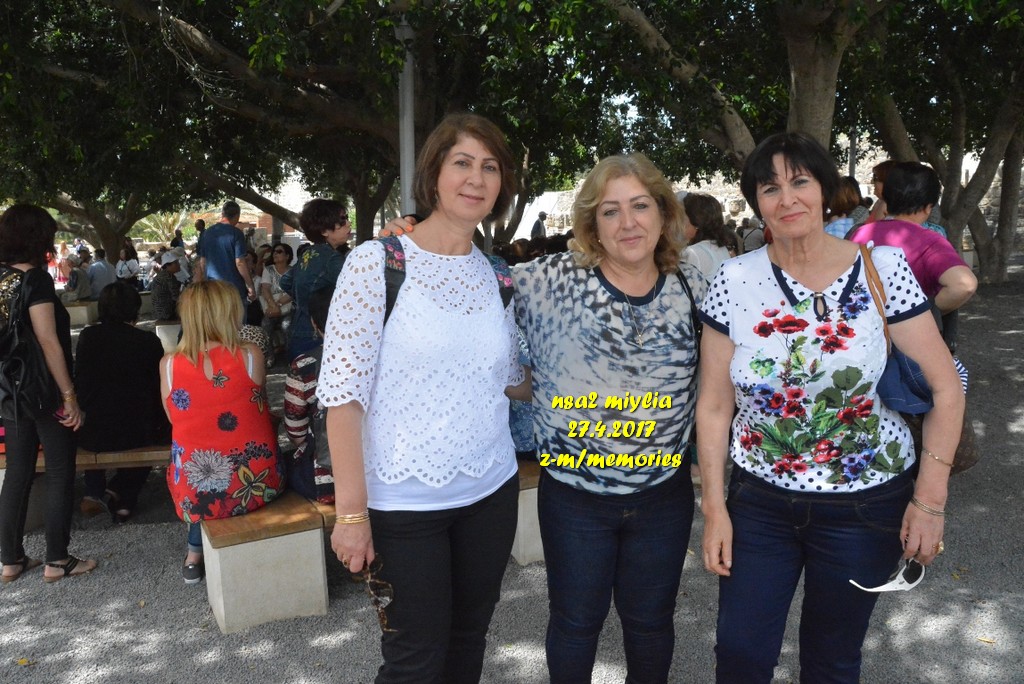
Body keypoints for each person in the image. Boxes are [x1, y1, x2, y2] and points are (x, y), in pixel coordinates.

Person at [697, 132, 965, 683]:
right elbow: (715, 406)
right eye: (770, 188)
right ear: (757, 203)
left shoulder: (883, 269)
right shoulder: (734, 278)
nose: (787, 198)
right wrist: (716, 509)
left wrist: (930, 501)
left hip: (864, 505)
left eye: (800, 181)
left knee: (832, 659)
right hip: (759, 502)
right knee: (741, 654)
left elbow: (946, 388)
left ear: (824, 189)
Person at [318, 112, 526, 683]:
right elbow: (343, 399)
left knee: (469, 641)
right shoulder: (377, 263)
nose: (477, 178)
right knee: (414, 658)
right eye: (463, 163)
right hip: (403, 504)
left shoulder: (497, 276)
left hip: (491, 491)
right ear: (434, 173)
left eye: (490, 167)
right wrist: (351, 514)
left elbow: (509, 380)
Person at [514, 154, 705, 683]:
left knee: (651, 624)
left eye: (640, 206)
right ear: (591, 224)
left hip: (663, 496)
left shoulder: (694, 283)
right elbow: (464, 280)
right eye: (610, 211)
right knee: (576, 624)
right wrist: (408, 242)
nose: (628, 223)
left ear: (663, 213)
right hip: (574, 498)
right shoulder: (548, 279)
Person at [160, 279, 283, 585]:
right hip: (257, 482)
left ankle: (193, 555)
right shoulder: (251, 354)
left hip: (195, 491)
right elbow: (257, 407)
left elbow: (174, 418)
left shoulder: (169, 364)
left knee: (201, 475)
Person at [0, 204, 97, 583]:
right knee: (58, 470)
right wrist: (69, 395)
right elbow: (48, 340)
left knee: (17, 472)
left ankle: (10, 560)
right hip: (43, 389)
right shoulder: (35, 280)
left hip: (9, 388)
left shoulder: (2, 277)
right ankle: (57, 559)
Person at [847, 161, 977, 352]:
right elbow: (964, 284)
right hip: (911, 346)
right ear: (928, 207)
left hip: (862, 338)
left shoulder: (859, 234)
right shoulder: (930, 241)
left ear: (886, 197)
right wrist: (924, 312)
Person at [75, 282, 171, 523]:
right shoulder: (147, 341)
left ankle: (96, 491)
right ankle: (122, 495)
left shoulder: (88, 337)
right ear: (134, 309)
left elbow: (83, 384)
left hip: (95, 429)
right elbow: (158, 389)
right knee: (154, 432)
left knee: (96, 421)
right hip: (138, 430)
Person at [279, 199, 349, 362]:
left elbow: (285, 282)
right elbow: (354, 291)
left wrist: (303, 298)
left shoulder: (308, 253)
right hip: (318, 336)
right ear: (324, 231)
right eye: (342, 220)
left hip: (298, 330)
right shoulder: (333, 259)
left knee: (301, 376)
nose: (348, 223)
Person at [283, 286, 335, 502]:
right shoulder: (383, 359)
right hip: (382, 480)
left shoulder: (305, 366)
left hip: (329, 482)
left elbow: (296, 432)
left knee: (284, 463)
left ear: (314, 323)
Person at [195, 200, 257, 318]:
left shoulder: (207, 233)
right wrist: (250, 285)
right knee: (237, 324)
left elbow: (202, 262)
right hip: (234, 289)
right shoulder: (236, 234)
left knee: (217, 324)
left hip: (213, 288)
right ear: (237, 215)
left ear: (222, 214)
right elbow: (240, 262)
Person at [681, 192, 734, 282]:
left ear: (696, 221)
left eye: (683, 218)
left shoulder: (693, 253)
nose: (679, 222)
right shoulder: (720, 248)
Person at [260, 242, 293, 357]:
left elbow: (292, 292)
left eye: (279, 251)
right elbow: (265, 288)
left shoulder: (293, 271)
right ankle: (270, 356)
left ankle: (290, 356)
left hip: (288, 308)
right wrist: (273, 306)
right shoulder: (268, 270)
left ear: (287, 256)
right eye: (274, 251)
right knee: (265, 325)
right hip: (271, 307)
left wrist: (278, 304)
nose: (275, 254)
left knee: (287, 325)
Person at [150, 251, 182, 321]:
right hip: (167, 314)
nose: (179, 265)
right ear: (168, 265)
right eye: (176, 263)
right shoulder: (169, 277)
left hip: (158, 313)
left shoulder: (162, 275)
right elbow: (176, 298)